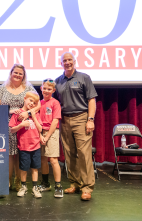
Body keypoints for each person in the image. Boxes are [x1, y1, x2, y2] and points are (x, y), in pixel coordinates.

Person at [54, 52, 98, 201]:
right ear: (61, 63)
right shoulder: (57, 81)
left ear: (74, 61)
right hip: (65, 120)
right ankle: (75, 183)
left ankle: (87, 188)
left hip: (81, 117)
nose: (67, 62)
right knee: (69, 153)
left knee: (84, 154)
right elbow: (54, 104)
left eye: (69, 60)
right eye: (64, 60)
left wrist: (90, 119)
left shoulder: (83, 77)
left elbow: (91, 100)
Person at [0, 64, 40, 191]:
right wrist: (12, 111)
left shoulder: (28, 88)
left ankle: (19, 181)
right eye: (16, 72)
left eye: (21, 73)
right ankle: (7, 181)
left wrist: (28, 113)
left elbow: (38, 104)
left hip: (24, 125)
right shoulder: (1, 88)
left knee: (21, 153)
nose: (18, 75)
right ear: (11, 73)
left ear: (23, 75)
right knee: (9, 154)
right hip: (5, 124)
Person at [9, 91, 42, 198]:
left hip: (36, 146)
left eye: (35, 102)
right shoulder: (17, 114)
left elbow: (40, 128)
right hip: (23, 146)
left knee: (35, 168)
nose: (32, 103)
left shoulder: (36, 114)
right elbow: (12, 130)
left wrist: (33, 116)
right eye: (30, 100)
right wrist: (21, 125)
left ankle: (35, 187)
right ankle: (23, 187)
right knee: (23, 168)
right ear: (25, 99)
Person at [38, 78, 63, 198]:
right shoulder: (39, 103)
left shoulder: (55, 103)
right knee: (43, 159)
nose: (46, 91)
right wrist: (40, 135)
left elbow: (55, 121)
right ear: (41, 88)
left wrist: (47, 136)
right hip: (41, 132)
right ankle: (45, 183)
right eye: (44, 88)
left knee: (53, 160)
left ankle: (58, 186)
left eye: (49, 89)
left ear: (53, 90)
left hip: (52, 132)